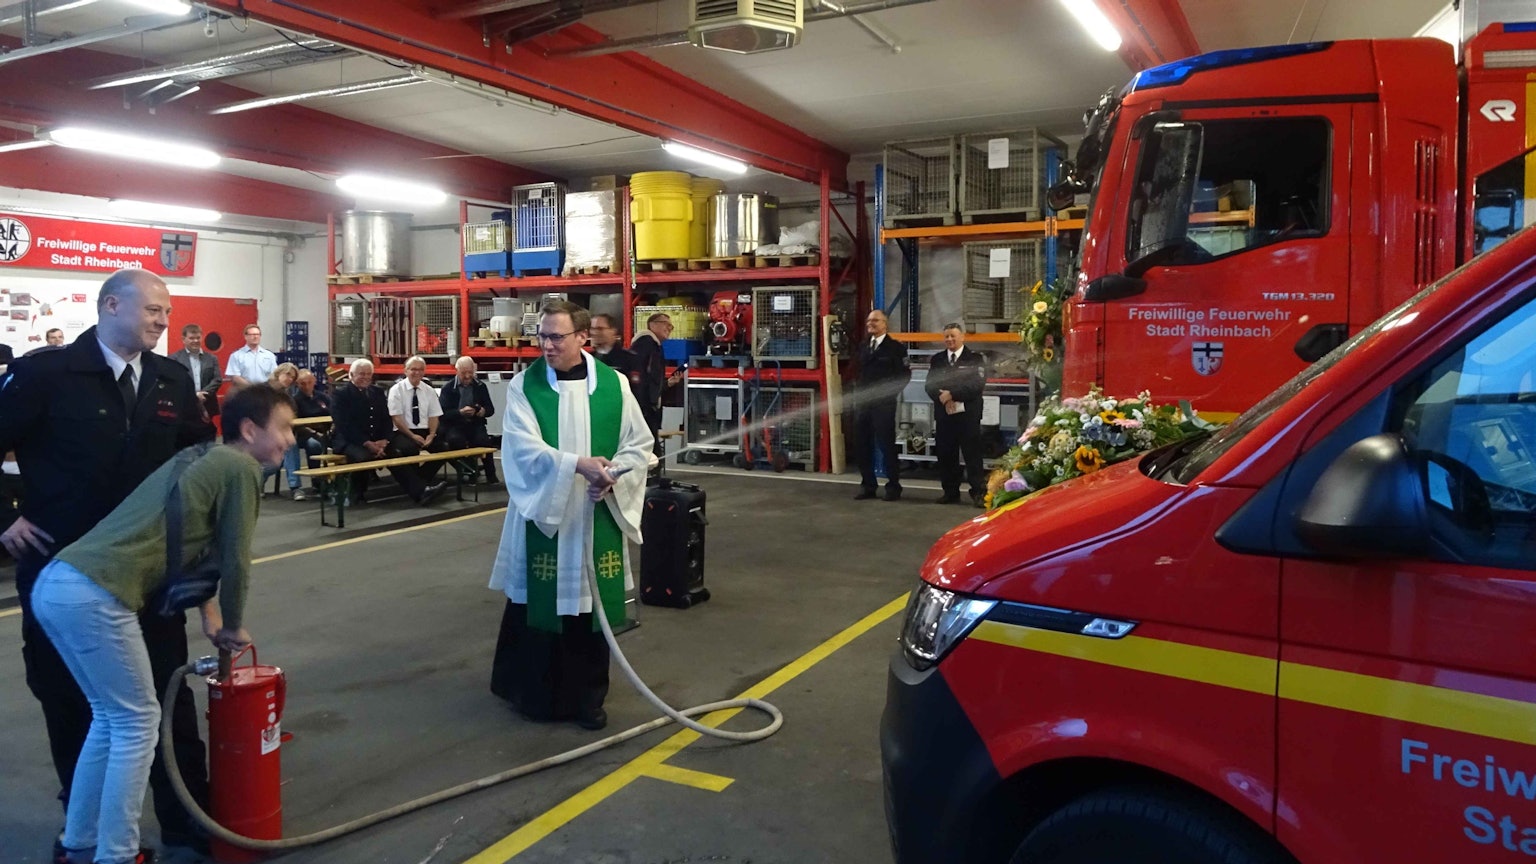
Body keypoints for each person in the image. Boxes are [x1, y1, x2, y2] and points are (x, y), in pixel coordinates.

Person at [0, 268, 215, 860]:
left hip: (148, 571)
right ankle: (85, 826)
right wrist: (5, 519)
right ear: (111, 305)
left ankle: (186, 817)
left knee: (168, 692)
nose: (163, 322)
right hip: (62, 567)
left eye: (166, 312)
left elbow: (199, 455)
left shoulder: (170, 379)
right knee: (69, 698)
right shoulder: (46, 374)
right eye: (153, 310)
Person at [33, 384, 291, 864]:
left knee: (109, 719)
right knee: (138, 722)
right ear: (249, 429)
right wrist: (234, 625)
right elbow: (235, 559)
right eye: (284, 428)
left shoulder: (201, 458)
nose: (291, 439)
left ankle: (78, 844)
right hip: (97, 594)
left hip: (57, 584)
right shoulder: (240, 468)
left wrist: (211, 615)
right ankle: (116, 854)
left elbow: (192, 549)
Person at [489, 300, 654, 731]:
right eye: (542, 336)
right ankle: (533, 694)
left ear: (583, 337)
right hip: (546, 512)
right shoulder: (525, 386)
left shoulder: (615, 385)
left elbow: (638, 444)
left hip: (594, 515)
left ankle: (588, 698)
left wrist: (612, 477)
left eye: (556, 337)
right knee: (538, 604)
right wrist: (578, 466)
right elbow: (521, 448)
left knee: (588, 611)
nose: (547, 345)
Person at [330, 359, 446, 506]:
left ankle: (421, 492)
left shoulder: (377, 392)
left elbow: (386, 419)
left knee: (395, 454)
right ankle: (354, 494)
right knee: (363, 456)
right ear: (351, 375)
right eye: (361, 374)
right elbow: (344, 425)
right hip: (350, 440)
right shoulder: (340, 395)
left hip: (376, 440)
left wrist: (385, 440)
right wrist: (367, 443)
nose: (366, 377)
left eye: (368, 374)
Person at [925, 324, 987, 507]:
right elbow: (929, 385)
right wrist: (942, 398)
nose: (949, 339)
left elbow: (977, 384)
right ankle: (950, 492)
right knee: (946, 454)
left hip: (968, 415)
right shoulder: (937, 359)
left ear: (962, 337)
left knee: (972, 455)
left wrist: (952, 394)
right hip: (944, 415)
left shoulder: (975, 359)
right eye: (947, 336)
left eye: (953, 336)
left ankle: (978, 493)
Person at [853, 309, 910, 502]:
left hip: (883, 405)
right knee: (862, 445)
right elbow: (858, 373)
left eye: (875, 320)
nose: (870, 323)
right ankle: (868, 485)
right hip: (863, 404)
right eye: (869, 320)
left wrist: (888, 394)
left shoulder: (896, 348)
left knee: (887, 446)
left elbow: (904, 376)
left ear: (885, 324)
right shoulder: (863, 346)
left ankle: (893, 487)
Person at [387, 355, 447, 488]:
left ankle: (419, 480)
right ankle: (418, 486)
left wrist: (432, 434)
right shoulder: (396, 390)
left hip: (425, 430)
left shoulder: (429, 390)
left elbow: (434, 415)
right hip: (403, 431)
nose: (417, 372)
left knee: (444, 448)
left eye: (420, 369)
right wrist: (412, 436)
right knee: (409, 448)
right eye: (413, 369)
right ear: (405, 371)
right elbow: (396, 418)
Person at [439, 356, 498, 484]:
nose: (467, 376)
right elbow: (442, 414)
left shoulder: (480, 386)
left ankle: (491, 475)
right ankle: (471, 471)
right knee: (455, 441)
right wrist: (460, 413)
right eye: (463, 373)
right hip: (455, 425)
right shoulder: (448, 388)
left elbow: (491, 409)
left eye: (470, 372)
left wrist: (483, 411)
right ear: (457, 371)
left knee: (484, 441)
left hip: (475, 423)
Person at [629, 312, 683, 445]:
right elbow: (638, 376)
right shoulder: (645, 343)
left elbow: (651, 380)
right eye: (666, 324)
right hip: (644, 410)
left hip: (649, 409)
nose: (669, 328)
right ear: (652, 325)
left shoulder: (656, 346)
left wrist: (667, 384)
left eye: (671, 326)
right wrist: (644, 407)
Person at [286, 370, 330, 501]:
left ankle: (329, 480)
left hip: (325, 431)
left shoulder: (322, 397)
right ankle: (313, 480)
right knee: (313, 444)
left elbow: (333, 413)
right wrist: (314, 433)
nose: (306, 386)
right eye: (302, 383)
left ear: (314, 381)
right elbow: (296, 424)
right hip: (304, 434)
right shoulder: (295, 400)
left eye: (309, 382)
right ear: (297, 384)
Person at [168, 324, 222, 419]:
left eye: (198, 338)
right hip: (184, 405)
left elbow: (217, 379)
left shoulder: (212, 358)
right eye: (192, 338)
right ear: (183, 339)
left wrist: (204, 393)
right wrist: (194, 395)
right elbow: (173, 382)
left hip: (207, 403)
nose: (196, 341)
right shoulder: (174, 359)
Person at [224, 324, 276, 393]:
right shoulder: (236, 356)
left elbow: (274, 375)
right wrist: (252, 388)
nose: (255, 337)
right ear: (245, 336)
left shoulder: (269, 355)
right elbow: (235, 377)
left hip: (265, 393)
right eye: (252, 334)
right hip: (244, 393)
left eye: (257, 334)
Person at [588, 313, 637, 382]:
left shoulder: (630, 359)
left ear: (613, 331)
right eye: (592, 329)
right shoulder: (588, 359)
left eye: (600, 329)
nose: (595, 332)